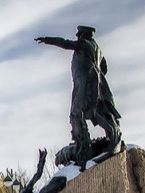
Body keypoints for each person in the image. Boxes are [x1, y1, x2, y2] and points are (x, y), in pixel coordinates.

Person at [36, 26, 122, 162]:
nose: (78, 37)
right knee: (94, 111)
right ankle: (110, 135)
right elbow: (104, 67)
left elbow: (65, 43)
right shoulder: (98, 50)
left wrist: (47, 40)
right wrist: (97, 75)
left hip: (85, 84)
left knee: (77, 113)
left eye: (80, 34)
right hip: (96, 84)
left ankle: (85, 147)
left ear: (84, 35)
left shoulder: (83, 44)